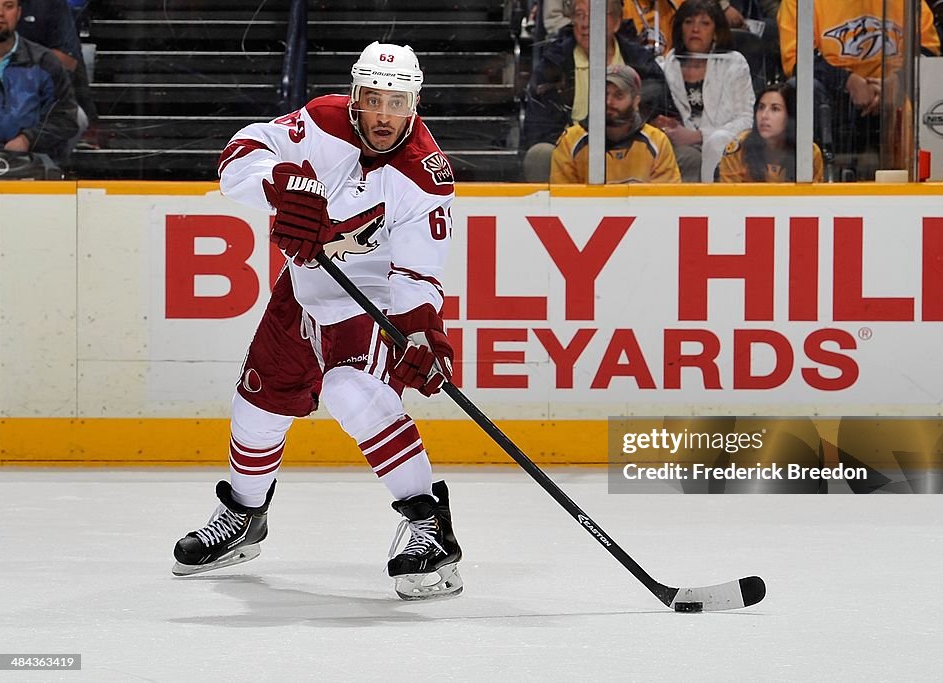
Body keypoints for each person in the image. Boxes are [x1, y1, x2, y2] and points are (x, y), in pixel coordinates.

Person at [172, 42, 465, 601]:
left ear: (416, 104)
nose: (383, 115)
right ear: (356, 96)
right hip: (302, 288)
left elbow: (419, 272)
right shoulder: (322, 120)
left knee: (352, 390)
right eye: (373, 99)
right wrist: (276, 184)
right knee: (258, 403)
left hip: (369, 297)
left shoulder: (425, 175)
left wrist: (423, 332)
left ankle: (431, 528)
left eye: (396, 102)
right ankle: (242, 517)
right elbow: (240, 153)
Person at [778, 0, 941, 178]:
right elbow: (798, 59)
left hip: (892, 96)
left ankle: (918, 181)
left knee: (925, 87)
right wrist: (848, 82)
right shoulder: (799, 3)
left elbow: (927, 51)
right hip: (833, 98)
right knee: (801, 88)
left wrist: (897, 83)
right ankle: (814, 178)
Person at [522, 0, 675, 181]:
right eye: (579, 15)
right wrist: (576, 145)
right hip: (572, 150)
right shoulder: (553, 64)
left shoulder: (640, 61)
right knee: (540, 154)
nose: (586, 23)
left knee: (683, 153)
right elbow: (539, 126)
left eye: (596, 15)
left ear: (617, 22)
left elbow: (661, 112)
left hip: (633, 146)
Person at [652, 0, 754, 182]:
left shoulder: (734, 63)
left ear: (716, 32)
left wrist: (699, 136)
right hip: (680, 144)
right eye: (688, 22)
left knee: (715, 143)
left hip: (723, 141)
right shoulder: (667, 65)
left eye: (704, 23)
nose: (695, 29)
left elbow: (746, 118)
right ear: (680, 29)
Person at [550, 63, 681, 182]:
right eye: (605, 93)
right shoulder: (570, 140)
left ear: (636, 101)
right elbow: (561, 199)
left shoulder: (658, 141)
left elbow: (665, 201)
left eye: (618, 95)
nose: (609, 102)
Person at [0, 0, 78, 160]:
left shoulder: (44, 62)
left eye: (8, 6)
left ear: (19, 13)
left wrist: (28, 139)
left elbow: (64, 118)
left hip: (31, 162)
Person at [16, 0, 97, 146]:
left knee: (77, 118)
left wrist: (18, 59)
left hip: (40, 96)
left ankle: (51, 165)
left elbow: (68, 60)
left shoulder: (51, 4)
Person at [717, 82, 823, 182]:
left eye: (775, 109)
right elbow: (729, 198)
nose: (764, 115)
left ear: (790, 116)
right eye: (761, 108)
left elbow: (813, 198)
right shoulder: (737, 149)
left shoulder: (808, 153)